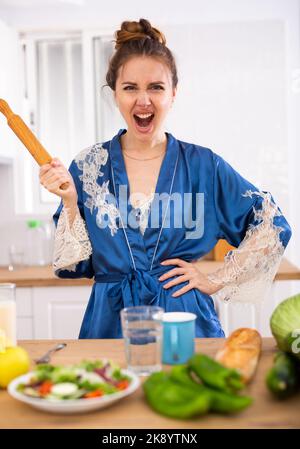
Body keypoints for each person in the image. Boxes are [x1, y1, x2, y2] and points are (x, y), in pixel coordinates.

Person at [39, 18, 292, 339]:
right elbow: (76, 265)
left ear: (173, 93)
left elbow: (273, 224)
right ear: (114, 93)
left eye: (156, 87)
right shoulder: (89, 166)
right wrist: (70, 202)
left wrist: (216, 279)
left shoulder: (204, 166)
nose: (143, 100)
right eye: (130, 87)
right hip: (111, 326)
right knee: (110, 389)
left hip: (184, 323)